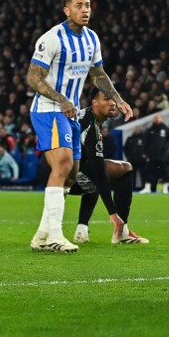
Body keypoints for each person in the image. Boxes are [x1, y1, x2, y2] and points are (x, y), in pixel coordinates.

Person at [27, 0, 133, 252]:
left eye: (87, 5)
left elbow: (98, 74)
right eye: (78, 5)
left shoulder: (91, 39)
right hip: (49, 109)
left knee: (72, 175)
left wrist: (117, 99)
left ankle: (41, 235)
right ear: (67, 10)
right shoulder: (52, 38)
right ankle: (54, 236)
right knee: (62, 165)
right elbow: (32, 77)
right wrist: (61, 100)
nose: (85, 10)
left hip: (69, 112)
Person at [39, 87, 147, 244]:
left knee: (91, 172)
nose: (112, 103)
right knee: (124, 169)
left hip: (52, 174)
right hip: (62, 176)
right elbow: (100, 173)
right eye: (106, 99)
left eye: (113, 100)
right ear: (95, 103)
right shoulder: (90, 128)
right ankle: (122, 231)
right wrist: (113, 213)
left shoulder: (83, 116)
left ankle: (81, 231)